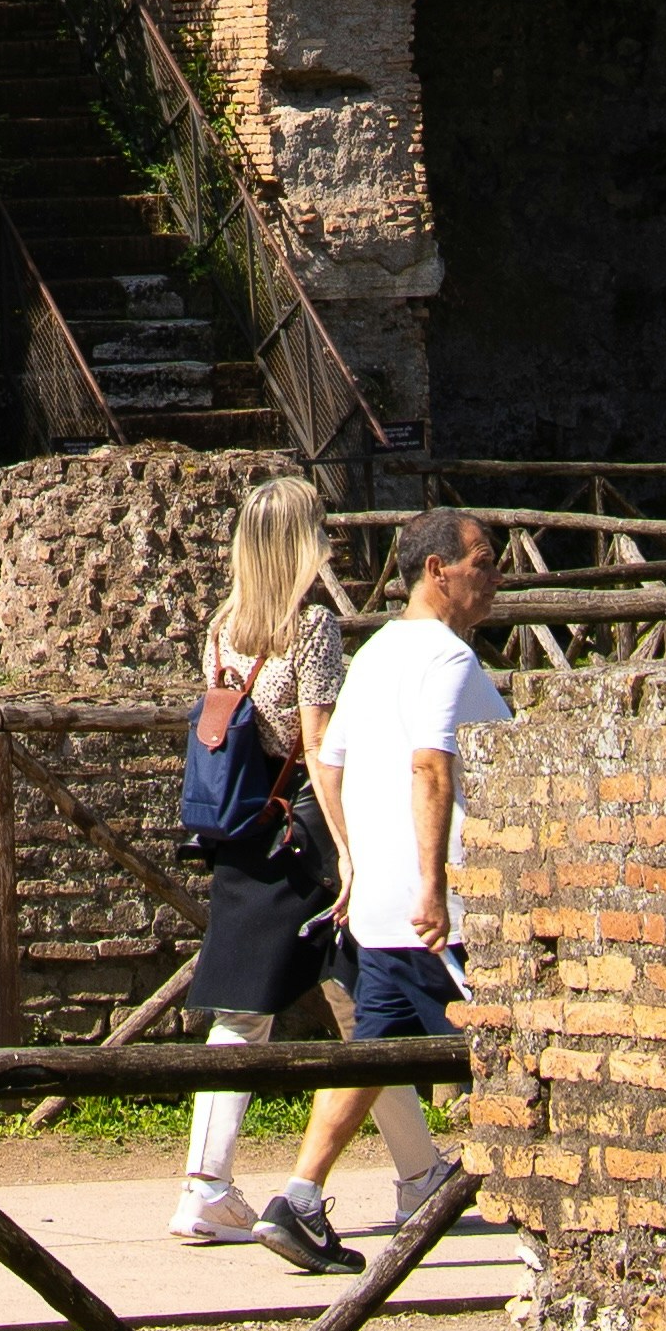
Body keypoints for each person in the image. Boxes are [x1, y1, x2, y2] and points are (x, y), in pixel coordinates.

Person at [269, 513, 499, 1269]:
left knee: (371, 1055)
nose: (493, 578)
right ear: (438, 570)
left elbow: (326, 764)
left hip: (381, 912)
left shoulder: (370, 657)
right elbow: (432, 766)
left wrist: (355, 860)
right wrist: (430, 886)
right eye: (482, 562)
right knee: (509, 1056)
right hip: (441, 916)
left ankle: (298, 1200)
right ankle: (556, 1219)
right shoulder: (445, 659)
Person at [167, 481, 353, 1249]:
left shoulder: (224, 628)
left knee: (348, 990)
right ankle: (205, 1188)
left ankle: (420, 1173)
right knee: (269, 1010)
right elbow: (320, 747)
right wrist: (351, 848)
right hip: (299, 832)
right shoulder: (312, 628)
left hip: (241, 831)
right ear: (301, 542)